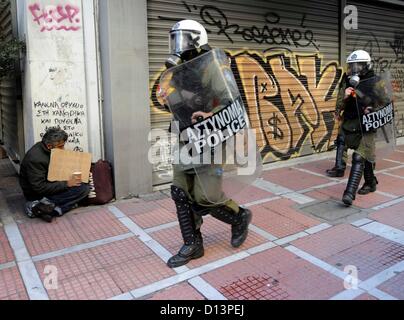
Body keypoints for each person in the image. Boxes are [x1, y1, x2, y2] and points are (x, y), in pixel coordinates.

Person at [163, 20, 252, 268]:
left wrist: (211, 115)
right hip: (185, 137)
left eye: (181, 39)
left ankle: (239, 217)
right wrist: (167, 98)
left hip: (211, 138)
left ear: (196, 39)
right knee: (180, 192)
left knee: (206, 197)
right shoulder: (177, 69)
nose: (176, 46)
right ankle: (193, 244)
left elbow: (230, 99)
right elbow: (176, 103)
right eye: (174, 39)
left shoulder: (212, 64)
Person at [338, 50, 386, 206]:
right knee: (365, 157)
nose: (354, 69)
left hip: (368, 125)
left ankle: (349, 194)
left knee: (359, 157)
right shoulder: (346, 81)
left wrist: (372, 109)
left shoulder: (375, 81)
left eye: (358, 66)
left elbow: (385, 103)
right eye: (352, 66)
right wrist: (344, 97)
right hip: (350, 125)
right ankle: (371, 182)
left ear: (366, 66)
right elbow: (338, 106)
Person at [19, 127, 90, 222]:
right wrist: (67, 183)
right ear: (49, 146)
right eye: (60, 147)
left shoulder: (48, 150)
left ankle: (47, 209)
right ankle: (40, 207)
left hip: (50, 184)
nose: (63, 149)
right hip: (36, 194)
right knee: (83, 189)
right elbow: (39, 187)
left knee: (82, 185)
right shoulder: (36, 159)